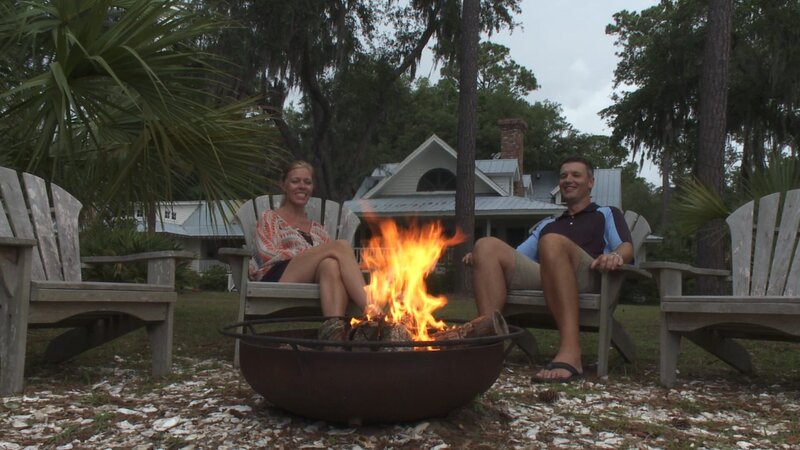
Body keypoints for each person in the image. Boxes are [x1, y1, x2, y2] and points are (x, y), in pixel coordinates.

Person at [462, 156, 633, 382]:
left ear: (590, 182)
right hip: (548, 278)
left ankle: (571, 353)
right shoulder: (548, 224)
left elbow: (626, 246)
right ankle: (489, 343)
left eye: (576, 175)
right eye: (563, 176)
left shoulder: (606, 214)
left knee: (552, 241)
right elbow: (517, 256)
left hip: (588, 277)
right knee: (485, 245)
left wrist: (615, 256)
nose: (568, 180)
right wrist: (483, 258)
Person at [248, 160, 370, 317]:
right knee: (340, 246)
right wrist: (308, 254)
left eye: (307, 182)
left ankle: (333, 331)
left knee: (330, 264)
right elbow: (267, 254)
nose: (302, 186)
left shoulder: (318, 230)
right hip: (277, 276)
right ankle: (372, 310)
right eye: (295, 181)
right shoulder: (270, 218)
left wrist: (315, 256)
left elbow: (333, 260)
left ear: (312, 188)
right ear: (283, 185)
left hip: (312, 280)